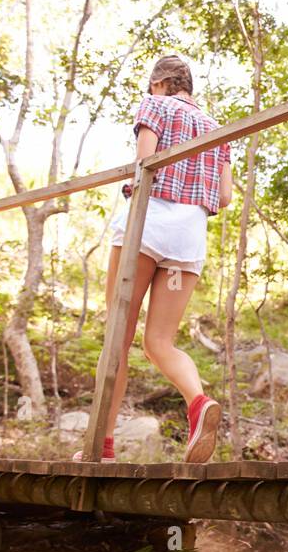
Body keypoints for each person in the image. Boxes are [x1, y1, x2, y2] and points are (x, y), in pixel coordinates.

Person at [77, 54, 232, 463]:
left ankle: (101, 447)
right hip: (186, 241)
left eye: (151, 85)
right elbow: (225, 197)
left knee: (118, 339)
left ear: (160, 82)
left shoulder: (155, 106)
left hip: (147, 227)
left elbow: (144, 166)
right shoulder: (218, 128)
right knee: (159, 341)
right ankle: (198, 402)